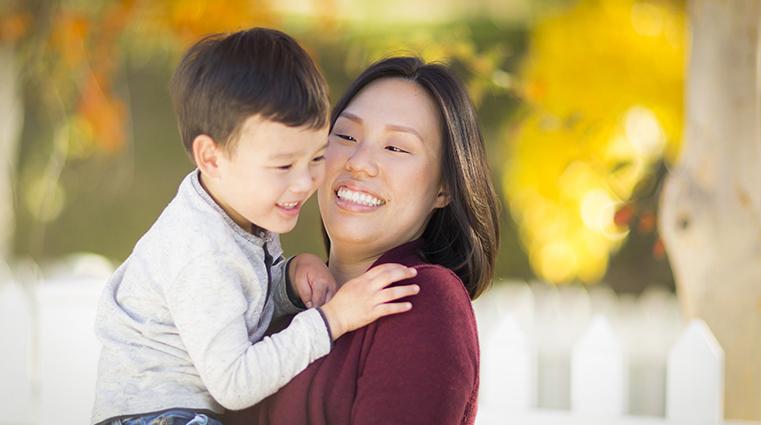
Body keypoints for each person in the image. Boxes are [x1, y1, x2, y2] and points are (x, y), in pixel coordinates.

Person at [91, 29, 420, 425]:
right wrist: (333, 320)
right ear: (212, 158)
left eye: (316, 157)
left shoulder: (238, 211)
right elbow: (235, 381)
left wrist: (288, 279)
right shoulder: (202, 251)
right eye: (283, 165)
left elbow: (239, 299)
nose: (304, 182)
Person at [225, 56, 500, 425]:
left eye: (396, 148)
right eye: (346, 136)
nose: (359, 162)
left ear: (443, 189)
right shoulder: (278, 300)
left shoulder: (419, 298)